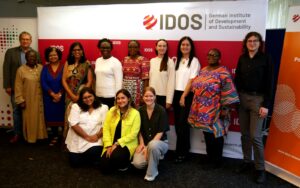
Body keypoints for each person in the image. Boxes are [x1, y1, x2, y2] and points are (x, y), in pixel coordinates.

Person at [180, 48, 239, 169]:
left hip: (216, 109)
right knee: (207, 134)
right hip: (202, 109)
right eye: (209, 54)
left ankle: (216, 160)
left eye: (215, 55)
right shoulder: (203, 70)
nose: (211, 56)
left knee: (216, 134)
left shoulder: (223, 72)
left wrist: (225, 109)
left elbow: (228, 91)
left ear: (219, 58)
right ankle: (209, 157)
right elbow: (195, 86)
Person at [235, 31, 273, 184]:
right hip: (242, 99)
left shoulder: (266, 58)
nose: (252, 43)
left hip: (258, 100)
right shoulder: (242, 58)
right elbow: (237, 78)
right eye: (249, 41)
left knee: (255, 137)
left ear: (259, 43)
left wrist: (266, 105)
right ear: (246, 43)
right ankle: (246, 161)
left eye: (255, 41)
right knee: (244, 135)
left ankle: (260, 169)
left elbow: (270, 83)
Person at [3, 31, 41, 143]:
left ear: (31, 41)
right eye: (23, 39)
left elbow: (38, 68)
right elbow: (6, 68)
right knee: (16, 110)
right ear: (20, 40)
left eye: (27, 39)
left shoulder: (35, 53)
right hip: (16, 87)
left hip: (31, 88)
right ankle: (17, 134)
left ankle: (29, 133)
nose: (25, 41)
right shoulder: (11, 52)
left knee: (30, 111)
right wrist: (7, 85)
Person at [132, 87, 169, 181]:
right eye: (146, 96)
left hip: (160, 143)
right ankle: (154, 157)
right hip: (144, 144)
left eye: (151, 96)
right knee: (137, 164)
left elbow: (160, 132)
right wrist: (141, 144)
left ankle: (152, 173)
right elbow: (139, 130)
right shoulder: (139, 111)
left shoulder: (161, 110)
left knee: (153, 145)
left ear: (155, 97)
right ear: (143, 97)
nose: (148, 98)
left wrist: (148, 148)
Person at [173, 36, 200, 163]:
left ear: (191, 47)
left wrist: (184, 96)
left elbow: (192, 80)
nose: (184, 46)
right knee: (178, 125)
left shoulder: (194, 61)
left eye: (187, 45)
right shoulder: (176, 60)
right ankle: (185, 148)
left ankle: (181, 153)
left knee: (183, 125)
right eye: (182, 44)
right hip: (175, 94)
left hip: (187, 95)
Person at [65, 87, 108, 167]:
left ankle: (93, 159)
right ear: (81, 99)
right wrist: (87, 137)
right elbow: (74, 124)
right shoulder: (76, 107)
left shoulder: (103, 108)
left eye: (90, 96)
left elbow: (105, 126)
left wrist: (96, 136)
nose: (88, 99)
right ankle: (93, 161)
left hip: (95, 139)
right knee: (74, 163)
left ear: (94, 96)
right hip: (79, 138)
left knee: (95, 151)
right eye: (85, 98)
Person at [100, 89, 140, 173]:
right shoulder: (112, 110)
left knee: (116, 157)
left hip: (126, 144)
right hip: (111, 143)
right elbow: (106, 128)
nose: (120, 100)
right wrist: (108, 145)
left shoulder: (135, 113)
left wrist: (117, 143)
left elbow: (134, 134)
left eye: (123, 98)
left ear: (128, 98)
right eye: (118, 98)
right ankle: (117, 163)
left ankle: (125, 163)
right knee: (104, 168)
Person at [14, 50, 47, 143]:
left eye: (34, 56)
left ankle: (41, 136)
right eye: (30, 57)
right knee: (30, 118)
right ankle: (31, 138)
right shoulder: (21, 70)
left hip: (41, 98)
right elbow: (18, 86)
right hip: (28, 98)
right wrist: (20, 100)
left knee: (40, 117)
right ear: (26, 58)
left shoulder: (41, 68)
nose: (32, 58)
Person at [62, 42, 93, 137]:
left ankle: (81, 140)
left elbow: (90, 81)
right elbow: (63, 80)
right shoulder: (68, 63)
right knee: (69, 118)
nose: (77, 52)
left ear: (82, 51)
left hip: (82, 96)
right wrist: (71, 95)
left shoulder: (86, 63)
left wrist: (79, 96)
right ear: (71, 52)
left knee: (80, 118)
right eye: (74, 50)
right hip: (69, 95)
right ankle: (68, 143)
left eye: (79, 49)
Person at [41, 47, 65, 145]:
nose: (53, 57)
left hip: (62, 97)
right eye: (50, 55)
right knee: (51, 117)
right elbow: (43, 82)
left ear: (58, 55)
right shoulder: (45, 68)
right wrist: (52, 94)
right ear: (47, 57)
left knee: (63, 116)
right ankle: (54, 135)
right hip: (49, 97)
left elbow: (67, 81)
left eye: (55, 55)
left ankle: (63, 137)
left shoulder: (64, 67)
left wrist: (59, 94)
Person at [95, 38, 123, 108]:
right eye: (103, 47)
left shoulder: (116, 62)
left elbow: (119, 82)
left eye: (108, 47)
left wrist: (117, 98)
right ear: (99, 48)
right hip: (98, 96)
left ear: (111, 48)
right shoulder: (98, 60)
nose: (105, 49)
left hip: (111, 97)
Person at [122, 40, 150, 108]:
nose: (132, 49)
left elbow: (146, 79)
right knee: (125, 108)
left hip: (137, 89)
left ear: (138, 48)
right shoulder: (124, 59)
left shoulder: (144, 60)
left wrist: (143, 95)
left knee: (136, 109)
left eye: (135, 47)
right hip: (125, 88)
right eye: (130, 47)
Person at [149, 39, 175, 109]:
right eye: (160, 46)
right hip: (151, 96)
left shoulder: (170, 62)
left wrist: (169, 100)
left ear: (166, 48)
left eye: (164, 46)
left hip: (163, 97)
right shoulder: (152, 61)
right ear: (156, 47)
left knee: (161, 119)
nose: (162, 48)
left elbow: (171, 82)